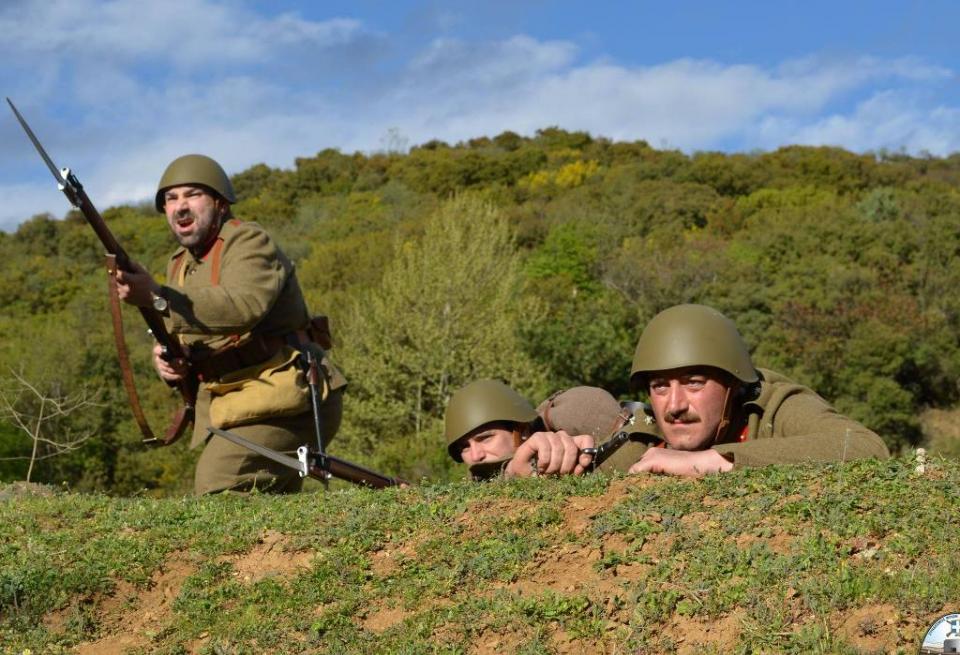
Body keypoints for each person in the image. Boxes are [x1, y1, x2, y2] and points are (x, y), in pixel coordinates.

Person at [115, 154, 346, 494]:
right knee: (257, 501)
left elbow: (243, 307)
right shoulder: (178, 264)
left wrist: (157, 297)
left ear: (220, 203)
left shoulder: (248, 241)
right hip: (235, 401)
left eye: (193, 195)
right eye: (171, 198)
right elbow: (193, 331)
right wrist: (171, 360)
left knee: (219, 484)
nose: (180, 207)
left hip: (289, 393)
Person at [624, 304, 890, 477]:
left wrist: (717, 460)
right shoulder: (646, 431)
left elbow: (865, 447)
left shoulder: (773, 406)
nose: (674, 406)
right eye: (659, 386)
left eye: (694, 382)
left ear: (733, 383)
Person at [444, 379, 640, 480]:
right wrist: (513, 473)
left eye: (485, 438)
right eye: (464, 447)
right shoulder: (478, 481)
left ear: (520, 431)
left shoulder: (581, 411)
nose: (475, 455)